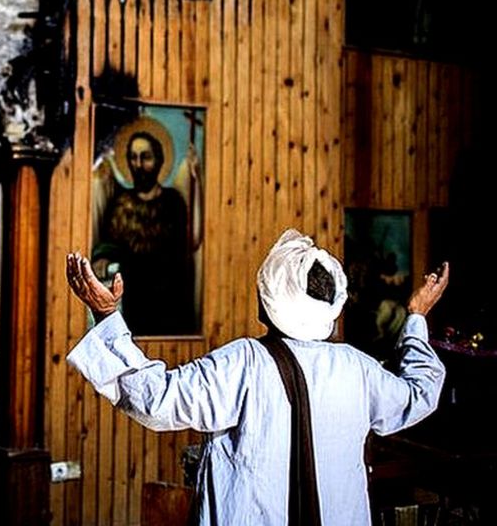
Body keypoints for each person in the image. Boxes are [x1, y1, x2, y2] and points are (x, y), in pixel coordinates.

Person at [66, 228, 448, 526]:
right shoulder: (356, 368)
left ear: (267, 303)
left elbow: (156, 399)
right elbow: (419, 393)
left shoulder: (244, 364)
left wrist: (107, 317)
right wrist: (416, 317)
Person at [92, 130, 193, 334]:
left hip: (169, 298)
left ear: (159, 160)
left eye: (145, 157)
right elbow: (109, 241)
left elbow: (181, 249)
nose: (138, 165)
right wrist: (103, 256)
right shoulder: (120, 203)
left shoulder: (173, 202)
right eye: (133, 157)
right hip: (134, 294)